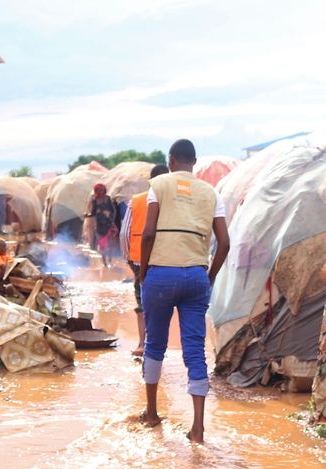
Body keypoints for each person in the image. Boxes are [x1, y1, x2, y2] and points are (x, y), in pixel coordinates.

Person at [138, 139, 230, 443]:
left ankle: (151, 414)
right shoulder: (211, 192)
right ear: (193, 161)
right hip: (196, 276)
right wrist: (209, 276)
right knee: (194, 349)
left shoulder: (159, 184)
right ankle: (198, 429)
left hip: (160, 275)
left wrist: (142, 273)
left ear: (171, 159)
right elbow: (224, 243)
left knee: (155, 344)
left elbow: (149, 233)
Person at [120, 163, 170, 356]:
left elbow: (125, 233)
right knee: (163, 303)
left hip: (140, 260)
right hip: (166, 260)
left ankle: (143, 344)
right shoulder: (173, 202)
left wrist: (129, 259)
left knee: (142, 302)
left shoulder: (137, 200)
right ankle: (159, 345)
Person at [85, 183, 118, 268]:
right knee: (102, 244)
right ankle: (105, 263)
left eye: (102, 190)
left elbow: (113, 211)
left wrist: (111, 219)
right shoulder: (94, 200)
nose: (101, 192)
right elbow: (93, 212)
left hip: (108, 224)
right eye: (99, 190)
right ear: (96, 191)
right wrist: (87, 215)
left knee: (110, 244)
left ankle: (110, 260)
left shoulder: (108, 198)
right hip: (99, 225)